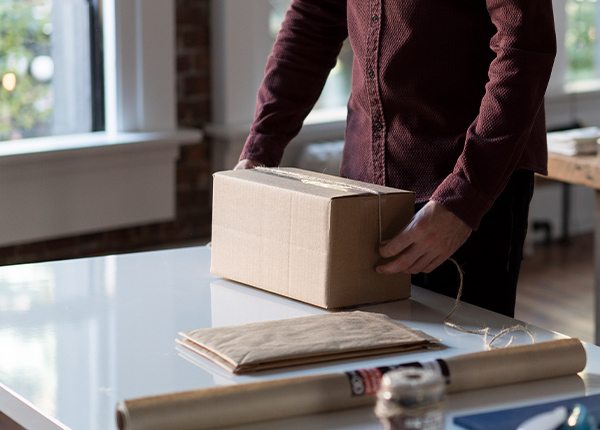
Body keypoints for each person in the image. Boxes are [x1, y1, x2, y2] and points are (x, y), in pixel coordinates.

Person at [235, 0, 557, 317]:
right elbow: (312, 18)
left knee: (460, 364)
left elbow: (524, 48)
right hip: (363, 190)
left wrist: (463, 198)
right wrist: (259, 150)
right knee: (366, 359)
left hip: (465, 191)